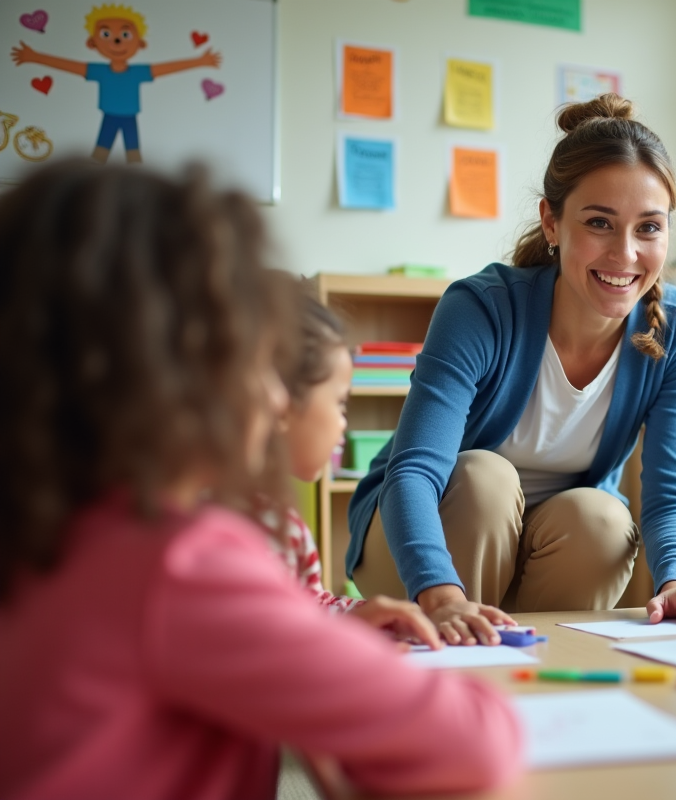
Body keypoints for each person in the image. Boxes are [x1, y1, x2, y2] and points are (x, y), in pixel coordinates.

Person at [0, 161, 521, 799]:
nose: (279, 399)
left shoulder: (46, 527)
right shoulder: (178, 560)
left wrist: (329, 631)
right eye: (254, 357)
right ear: (173, 372)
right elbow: (475, 744)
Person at [347, 94, 676, 646]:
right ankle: (452, 661)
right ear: (552, 220)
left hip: (547, 549)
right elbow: (414, 474)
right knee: (484, 480)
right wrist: (442, 595)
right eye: (599, 223)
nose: (625, 254)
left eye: (648, 228)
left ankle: (539, 671)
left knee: (603, 519)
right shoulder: (481, 308)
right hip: (415, 546)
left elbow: (668, 490)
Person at [272, 288, 442, 638]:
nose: (343, 424)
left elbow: (307, 606)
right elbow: (269, 638)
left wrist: (374, 616)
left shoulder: (281, 521)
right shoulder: (242, 527)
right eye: (339, 404)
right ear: (281, 404)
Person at [11, 4, 221, 163]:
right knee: (100, 155)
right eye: (106, 34)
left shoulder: (138, 72)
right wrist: (35, 57)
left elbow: (167, 68)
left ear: (140, 43)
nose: (117, 41)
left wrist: (201, 61)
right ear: (92, 43)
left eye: (125, 34)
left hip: (129, 117)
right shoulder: (99, 71)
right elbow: (69, 66)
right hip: (109, 116)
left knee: (133, 155)